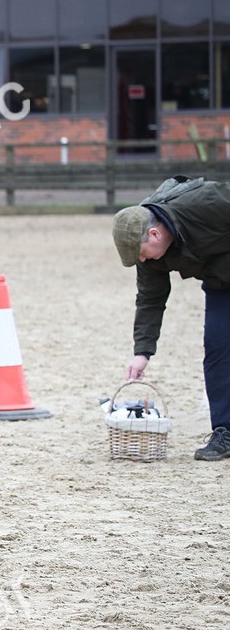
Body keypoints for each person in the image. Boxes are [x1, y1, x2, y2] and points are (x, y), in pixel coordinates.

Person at [111, 176, 230, 461]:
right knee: (217, 349)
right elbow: (150, 300)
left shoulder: (207, 202)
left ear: (154, 234)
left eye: (142, 254)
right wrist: (142, 352)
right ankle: (226, 431)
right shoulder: (149, 256)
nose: (142, 261)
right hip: (221, 284)